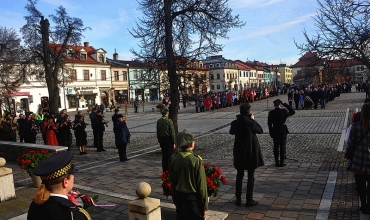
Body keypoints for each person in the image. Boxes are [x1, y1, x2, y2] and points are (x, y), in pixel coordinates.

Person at [27, 151, 92, 220]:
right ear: (65, 182)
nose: (73, 179)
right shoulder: (73, 214)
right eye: (73, 177)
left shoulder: (36, 204)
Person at [230, 103, 264, 207]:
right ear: (248, 112)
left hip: (239, 151)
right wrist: (252, 119)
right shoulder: (250, 122)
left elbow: (231, 132)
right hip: (250, 151)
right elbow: (260, 130)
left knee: (239, 175)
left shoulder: (235, 122)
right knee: (251, 175)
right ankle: (249, 199)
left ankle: (238, 199)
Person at [170, 129, 208, 220]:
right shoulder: (196, 160)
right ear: (191, 145)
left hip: (180, 198)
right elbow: (201, 186)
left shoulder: (174, 159)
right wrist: (204, 206)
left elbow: (172, 182)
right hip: (193, 200)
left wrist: (175, 201)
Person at [346, 103, 370, 215]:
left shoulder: (356, 126)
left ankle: (364, 205)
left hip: (359, 160)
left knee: (360, 185)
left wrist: (348, 156)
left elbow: (350, 144)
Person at [268, 99, 295, 167]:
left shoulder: (271, 112)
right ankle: (282, 161)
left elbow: (269, 124)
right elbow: (293, 111)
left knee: (276, 147)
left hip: (275, 130)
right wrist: (285, 105)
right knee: (282, 146)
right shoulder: (284, 111)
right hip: (282, 130)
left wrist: (270, 132)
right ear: (280, 105)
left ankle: (277, 161)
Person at [156, 106, 176, 172]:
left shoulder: (159, 121)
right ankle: (169, 170)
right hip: (168, 140)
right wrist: (174, 142)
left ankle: (164, 170)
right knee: (169, 156)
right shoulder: (169, 121)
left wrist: (159, 140)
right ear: (167, 112)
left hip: (162, 139)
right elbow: (172, 133)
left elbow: (158, 132)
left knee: (164, 156)